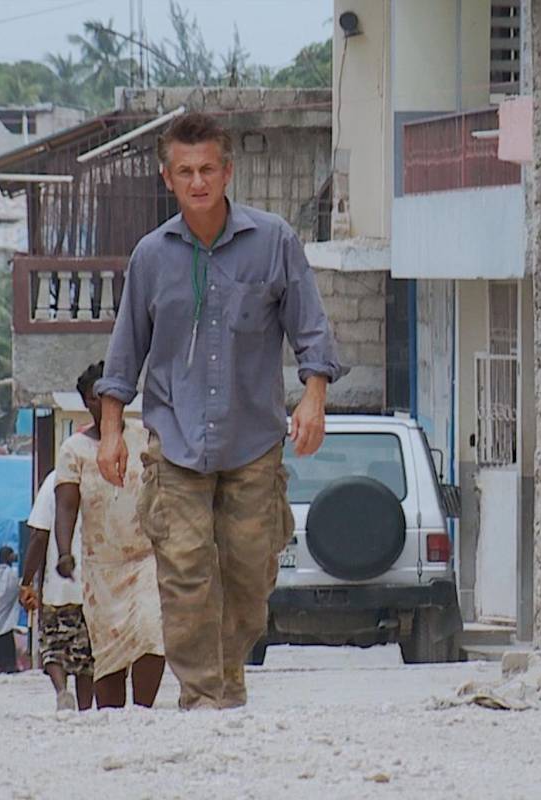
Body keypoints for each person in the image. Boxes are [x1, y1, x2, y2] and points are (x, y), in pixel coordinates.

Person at [94, 111, 346, 710]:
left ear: (227, 171)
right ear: (168, 178)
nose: (198, 181)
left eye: (208, 168)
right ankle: (204, 696)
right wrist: (111, 432)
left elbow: (311, 332)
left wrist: (314, 397)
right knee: (183, 570)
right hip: (176, 440)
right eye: (185, 171)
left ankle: (226, 676)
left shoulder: (274, 241)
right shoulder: (151, 257)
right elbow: (124, 351)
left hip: (253, 439)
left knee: (248, 573)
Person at [55, 361, 165, 708]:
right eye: (95, 399)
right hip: (101, 565)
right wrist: (63, 551)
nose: (104, 406)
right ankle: (112, 719)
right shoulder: (74, 450)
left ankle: (143, 710)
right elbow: (66, 505)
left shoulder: (144, 438)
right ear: (86, 403)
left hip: (146, 556)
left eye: (110, 397)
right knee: (109, 648)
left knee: (152, 630)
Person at [19, 470, 94, 711]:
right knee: (87, 653)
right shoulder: (102, 475)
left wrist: (27, 581)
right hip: (96, 584)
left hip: (59, 585)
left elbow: (39, 536)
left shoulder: (55, 480)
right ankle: (84, 708)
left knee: (52, 645)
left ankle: (62, 691)